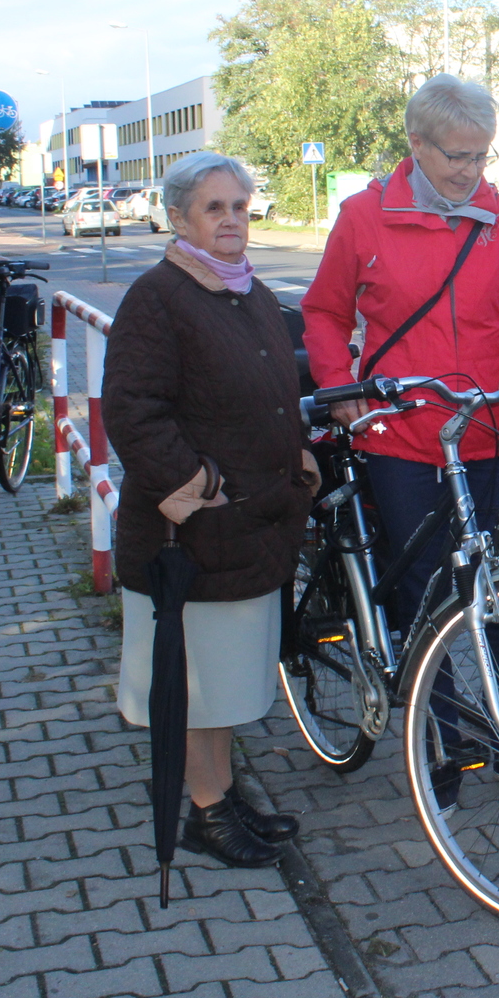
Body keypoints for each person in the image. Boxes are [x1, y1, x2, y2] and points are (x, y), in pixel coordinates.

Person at [300, 74, 499, 662]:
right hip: (403, 437)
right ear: (416, 144)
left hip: (495, 430)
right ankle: (433, 717)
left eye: (481, 155)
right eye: (456, 155)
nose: (471, 171)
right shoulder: (364, 217)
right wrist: (338, 383)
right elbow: (323, 313)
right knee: (425, 590)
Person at [104, 152, 319, 868]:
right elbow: (133, 411)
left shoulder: (248, 291)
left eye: (240, 206)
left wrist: (296, 458)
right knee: (195, 685)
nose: (232, 220)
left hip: (250, 526)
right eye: (214, 208)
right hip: (191, 532)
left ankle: (222, 795)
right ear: (178, 218)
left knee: (226, 680)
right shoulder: (158, 297)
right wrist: (198, 486)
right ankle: (205, 810)